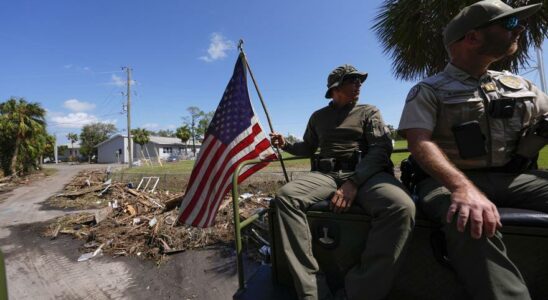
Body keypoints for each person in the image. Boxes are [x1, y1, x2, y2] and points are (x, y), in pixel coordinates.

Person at [398, 0, 548, 299]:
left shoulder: (521, 85)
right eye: (508, 24)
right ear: (473, 37)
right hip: (448, 182)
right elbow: (419, 142)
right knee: (469, 219)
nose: (519, 29)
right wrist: (461, 188)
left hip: (514, 178)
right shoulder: (430, 90)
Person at [270, 64, 415, 300]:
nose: (359, 84)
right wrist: (284, 143)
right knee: (286, 197)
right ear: (335, 87)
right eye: (353, 80)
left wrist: (354, 182)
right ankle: (311, 290)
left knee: (401, 206)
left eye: (360, 81)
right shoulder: (318, 117)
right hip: (326, 175)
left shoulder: (369, 111)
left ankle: (358, 292)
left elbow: (381, 149)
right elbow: (307, 147)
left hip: (365, 174)